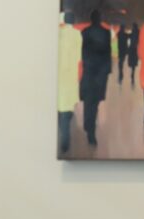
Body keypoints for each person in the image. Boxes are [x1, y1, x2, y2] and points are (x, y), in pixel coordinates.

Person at [80, 9, 113, 147]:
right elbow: (107, 55)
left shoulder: (85, 33)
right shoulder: (106, 33)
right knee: (95, 102)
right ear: (99, 19)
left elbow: (83, 54)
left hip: (88, 72)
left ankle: (88, 125)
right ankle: (91, 131)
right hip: (100, 74)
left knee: (89, 102)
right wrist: (106, 72)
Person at [58, 12, 83, 153]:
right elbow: (79, 56)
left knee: (61, 105)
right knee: (68, 107)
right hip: (71, 74)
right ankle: (65, 140)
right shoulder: (77, 35)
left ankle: (63, 135)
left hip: (60, 74)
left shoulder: (60, 34)